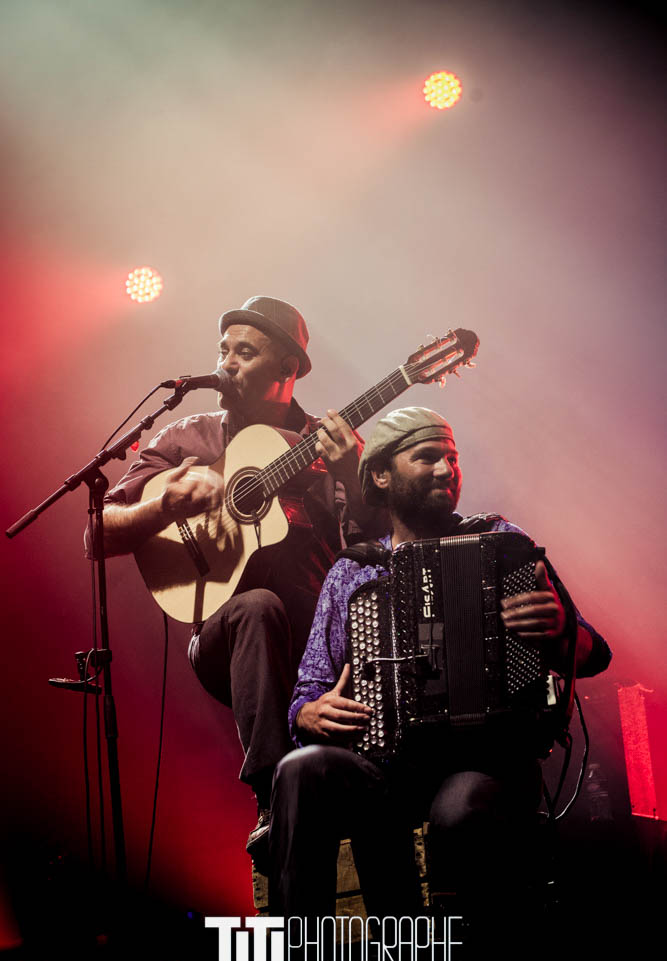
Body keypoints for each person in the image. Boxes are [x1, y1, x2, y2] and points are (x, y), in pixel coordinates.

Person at [269, 406, 611, 927]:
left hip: (486, 762)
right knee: (299, 770)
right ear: (381, 475)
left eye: (453, 458)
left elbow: (593, 653)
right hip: (384, 767)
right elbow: (307, 691)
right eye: (427, 457)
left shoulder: (503, 543)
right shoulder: (352, 573)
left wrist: (563, 628)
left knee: (459, 812)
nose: (447, 470)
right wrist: (308, 714)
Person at [94, 296, 376, 858]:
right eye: (224, 350)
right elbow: (97, 533)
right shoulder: (186, 438)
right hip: (226, 636)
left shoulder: (329, 442)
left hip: (317, 647)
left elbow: (374, 546)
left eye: (245, 353)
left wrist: (351, 470)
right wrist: (162, 507)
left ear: (287, 370)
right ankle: (272, 797)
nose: (227, 363)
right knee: (257, 605)